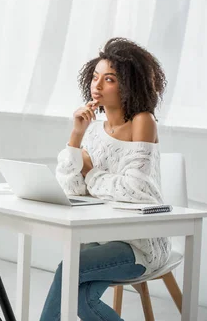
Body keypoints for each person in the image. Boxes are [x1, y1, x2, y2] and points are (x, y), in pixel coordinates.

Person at [40, 37, 171, 321]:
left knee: (69, 269)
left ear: (128, 84)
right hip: (101, 239)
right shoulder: (93, 130)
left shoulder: (142, 121)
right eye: (95, 77)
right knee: (82, 301)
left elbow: (136, 189)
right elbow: (71, 188)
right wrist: (76, 135)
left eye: (109, 79)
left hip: (140, 244)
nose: (97, 86)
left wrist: (91, 173)